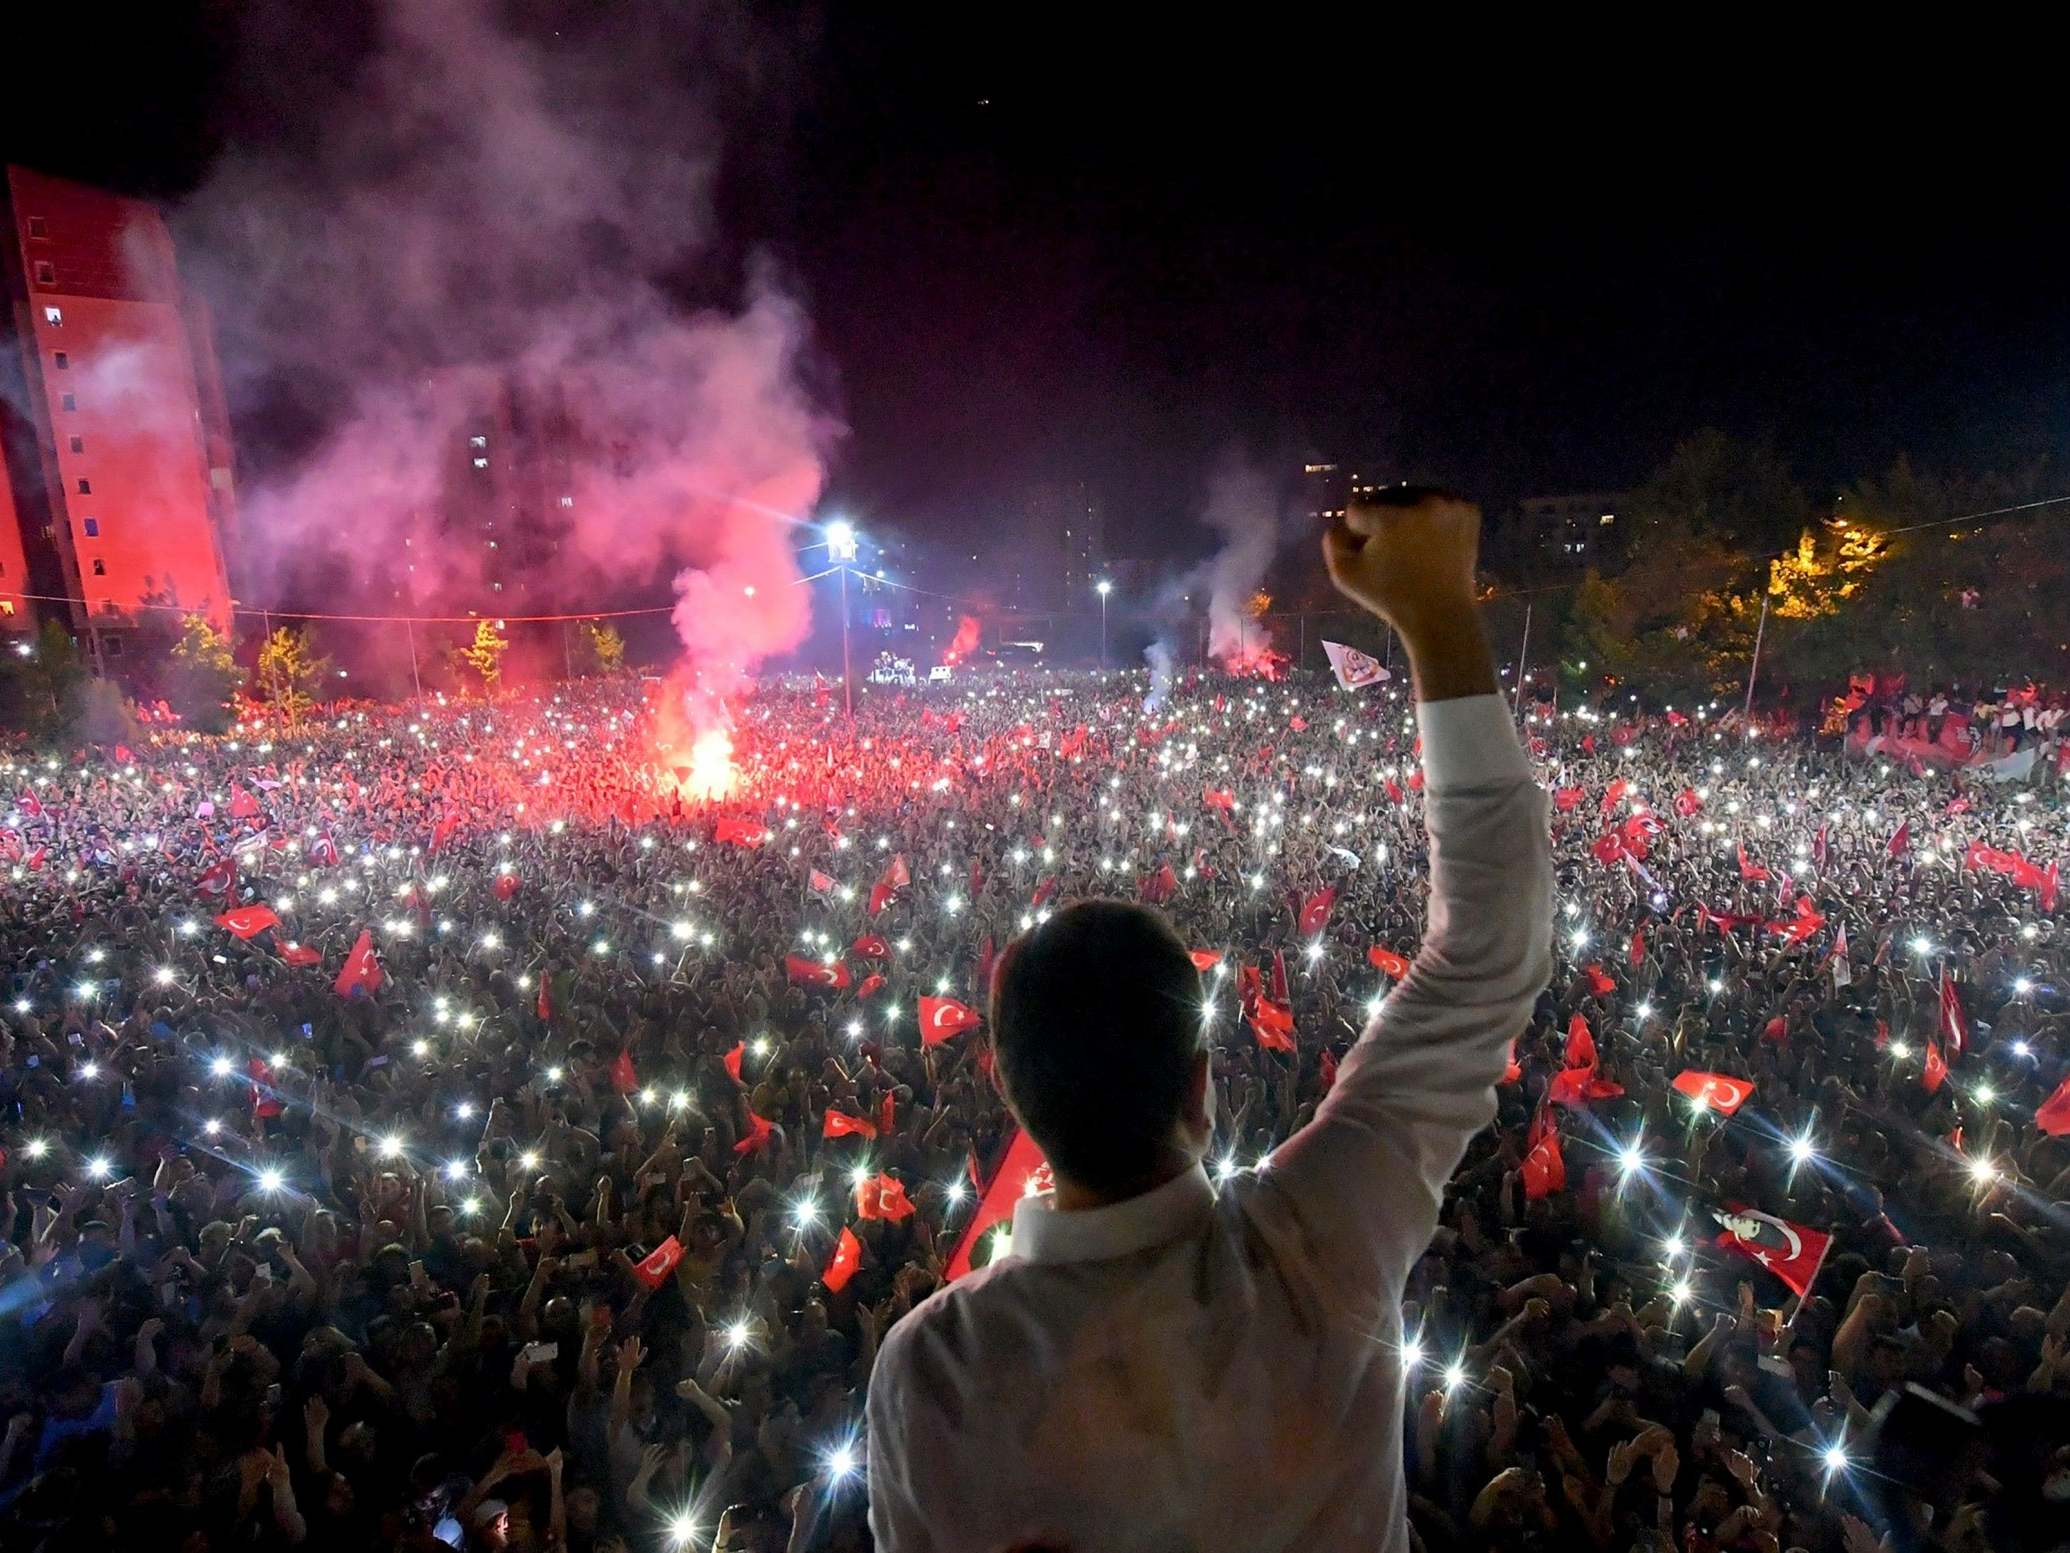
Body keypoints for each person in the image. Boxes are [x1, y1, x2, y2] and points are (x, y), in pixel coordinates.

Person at [864, 488, 1553, 1550]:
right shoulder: (1318, 1245)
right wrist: (1438, 615)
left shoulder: (934, 1371)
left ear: (1012, 1091)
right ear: (1201, 1079)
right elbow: (1489, 953)